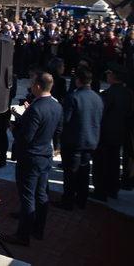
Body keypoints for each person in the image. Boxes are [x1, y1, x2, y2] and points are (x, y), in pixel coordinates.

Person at [4, 72, 62, 246]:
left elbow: (25, 138)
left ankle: (22, 235)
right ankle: (38, 229)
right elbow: (57, 130)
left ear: (38, 85)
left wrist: (13, 128)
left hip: (30, 157)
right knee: (42, 193)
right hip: (45, 155)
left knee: (28, 196)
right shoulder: (56, 105)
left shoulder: (37, 108)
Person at [56, 67, 103, 210]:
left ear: (78, 80)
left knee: (70, 174)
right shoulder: (97, 97)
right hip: (90, 141)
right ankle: (82, 200)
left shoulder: (74, 97)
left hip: (74, 142)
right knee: (84, 172)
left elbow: (66, 120)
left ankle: (68, 201)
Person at [91, 63, 134, 201]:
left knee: (101, 164)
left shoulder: (108, 94)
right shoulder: (128, 93)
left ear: (113, 76)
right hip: (120, 132)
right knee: (114, 162)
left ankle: (101, 191)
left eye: (109, 74)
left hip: (105, 134)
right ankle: (112, 189)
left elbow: (100, 114)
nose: (107, 76)